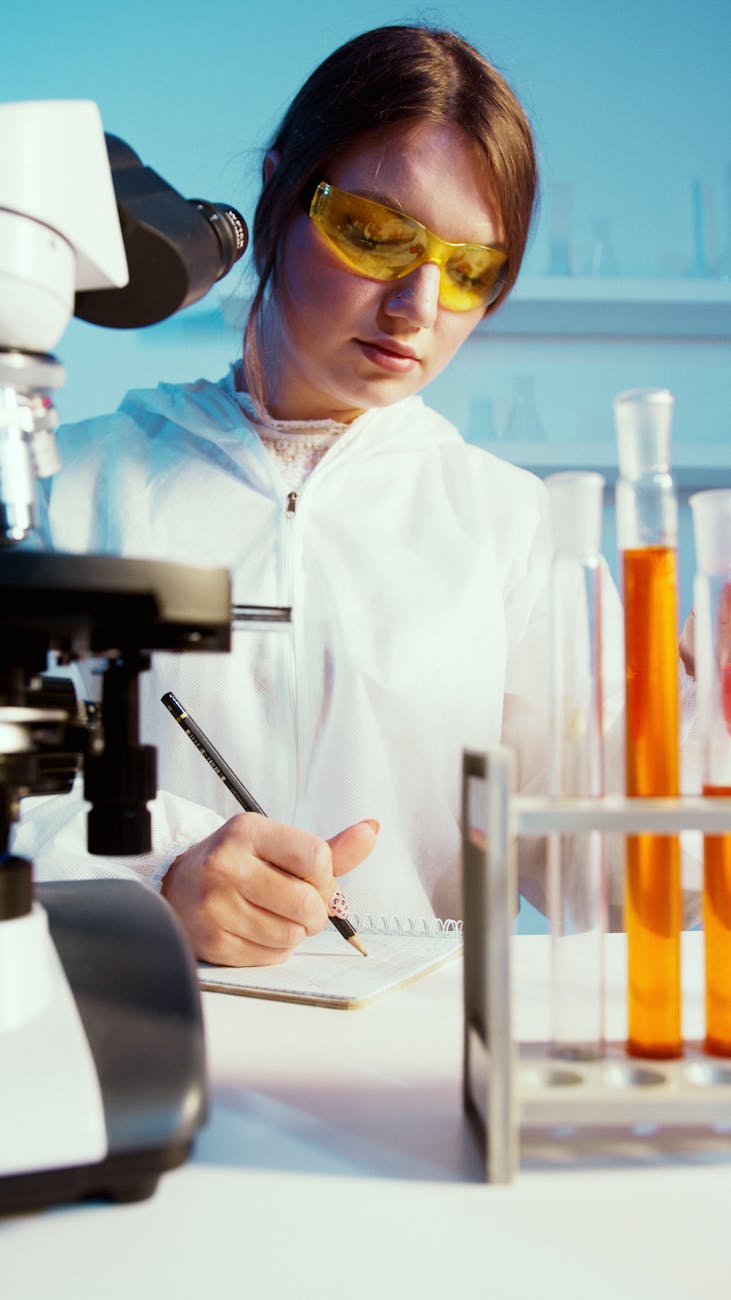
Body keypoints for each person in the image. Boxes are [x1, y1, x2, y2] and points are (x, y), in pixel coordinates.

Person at [17, 24, 698, 966]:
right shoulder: (74, 485)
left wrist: (695, 772)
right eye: (378, 235)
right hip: (146, 1025)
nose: (419, 307)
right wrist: (165, 872)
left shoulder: (507, 523)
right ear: (283, 191)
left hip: (409, 1054)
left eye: (470, 269)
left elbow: (599, 876)